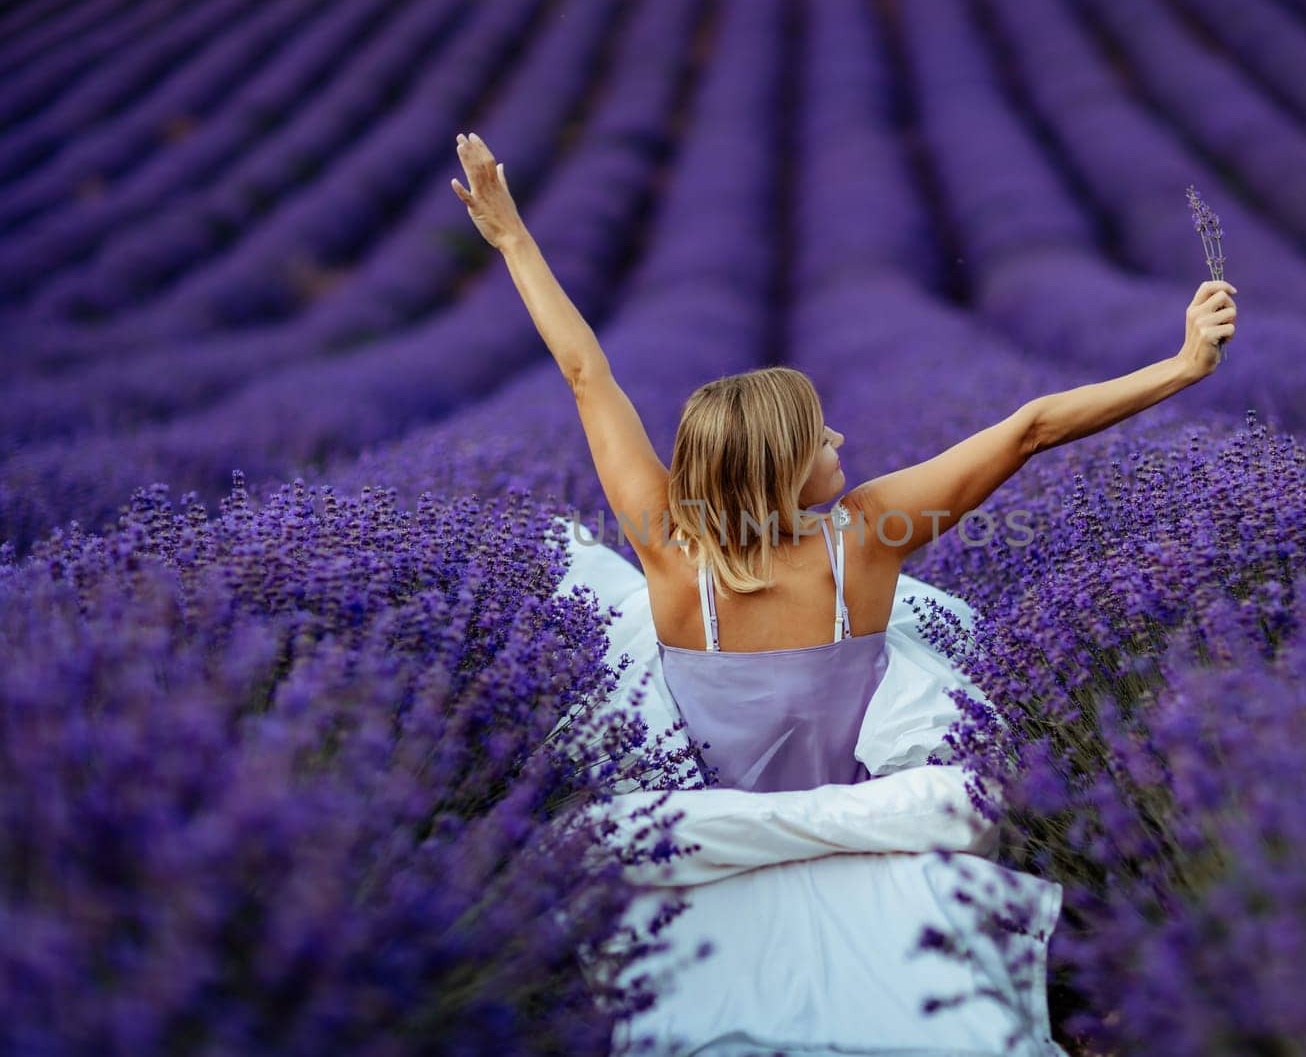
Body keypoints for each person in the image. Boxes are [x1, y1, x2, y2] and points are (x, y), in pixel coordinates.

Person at [451, 131, 1238, 793]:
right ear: (785, 468)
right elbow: (1030, 428)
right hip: (847, 798)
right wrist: (1181, 367)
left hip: (707, 807)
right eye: (821, 436)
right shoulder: (864, 537)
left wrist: (513, 238)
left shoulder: (666, 546)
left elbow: (587, 374)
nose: (840, 444)